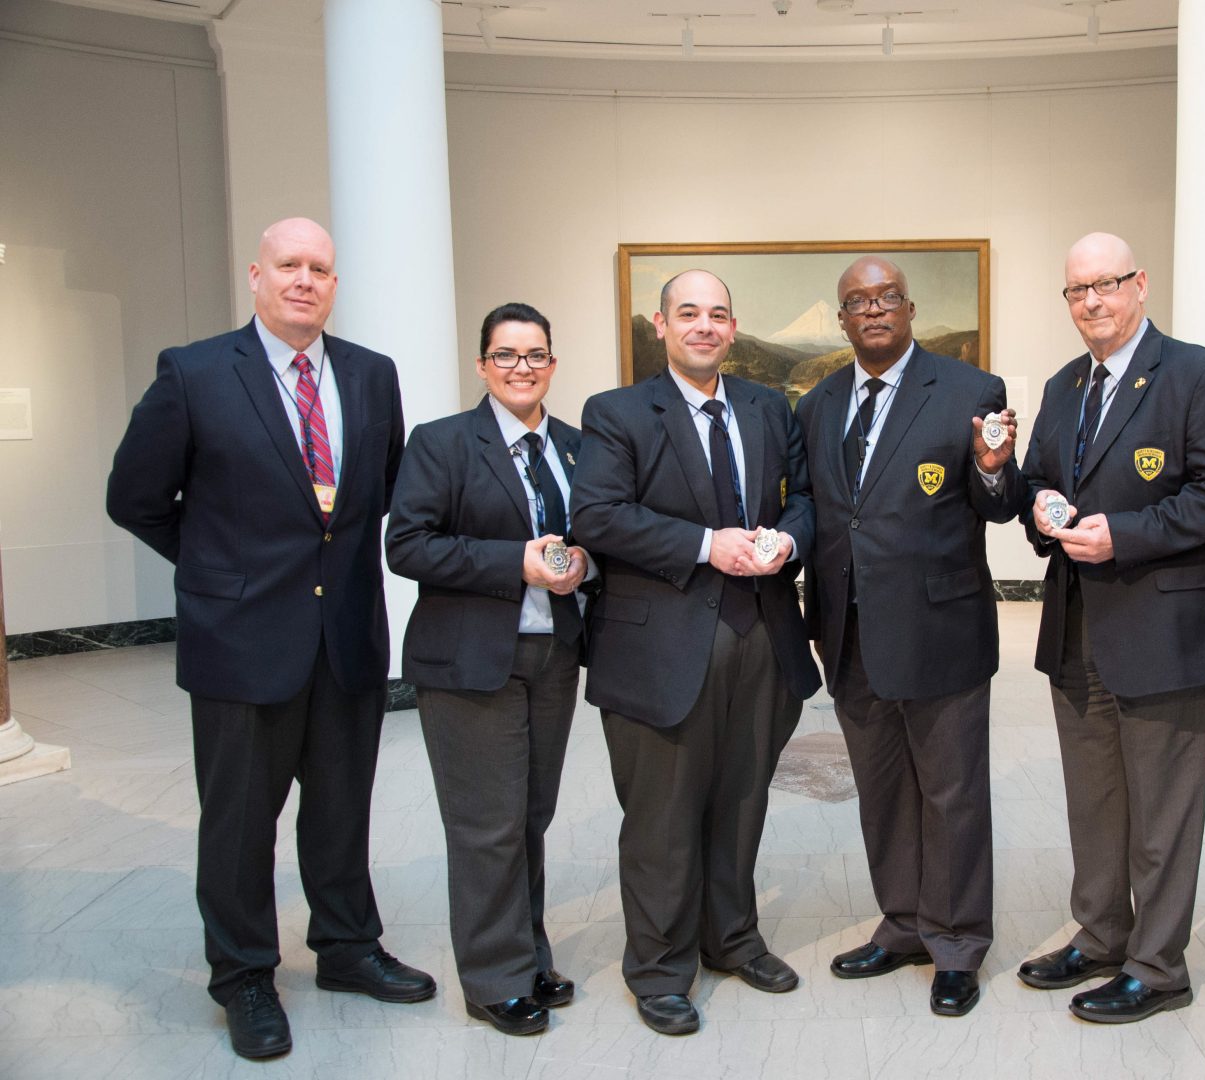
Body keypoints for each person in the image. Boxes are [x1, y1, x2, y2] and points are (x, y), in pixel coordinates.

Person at [105, 217, 434, 1061]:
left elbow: (377, 495)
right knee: (241, 821)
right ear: (256, 275)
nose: (305, 280)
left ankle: (348, 948)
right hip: (241, 643)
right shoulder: (196, 373)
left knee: (338, 813)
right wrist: (221, 569)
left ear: (333, 284)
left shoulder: (370, 375)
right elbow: (135, 497)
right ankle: (245, 974)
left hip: (346, 639)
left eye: (320, 268)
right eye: (289, 265)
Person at [569, 269, 819, 1036]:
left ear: (733, 327)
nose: (704, 326)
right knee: (662, 818)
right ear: (661, 325)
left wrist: (787, 538)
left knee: (742, 804)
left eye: (717, 314)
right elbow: (598, 517)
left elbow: (804, 497)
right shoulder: (616, 414)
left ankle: (731, 939)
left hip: (762, 638)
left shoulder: (768, 407)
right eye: (688, 313)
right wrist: (707, 544)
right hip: (662, 646)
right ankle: (659, 968)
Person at [1016, 232, 1205, 1024]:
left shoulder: (1199, 375)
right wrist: (1044, 508)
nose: (1092, 301)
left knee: (1162, 813)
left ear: (1141, 285)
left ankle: (1157, 968)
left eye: (1106, 284)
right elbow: (1039, 482)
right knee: (1095, 803)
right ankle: (1101, 935)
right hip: (1077, 628)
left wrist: (1125, 532)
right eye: (1077, 289)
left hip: (1165, 632)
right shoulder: (1061, 386)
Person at [795, 255, 1023, 1018]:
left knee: (952, 794)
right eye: (857, 301)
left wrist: (995, 470)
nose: (873, 310)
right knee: (884, 794)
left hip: (940, 631)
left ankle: (956, 943)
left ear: (910, 307)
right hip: (850, 631)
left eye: (886, 296)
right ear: (842, 319)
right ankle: (903, 925)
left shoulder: (968, 391)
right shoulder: (820, 403)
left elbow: (997, 505)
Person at [385, 302, 593, 1037]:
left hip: (552, 654)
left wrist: (584, 562)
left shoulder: (576, 447)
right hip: (469, 661)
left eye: (535, 355)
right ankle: (492, 978)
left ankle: (528, 953)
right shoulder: (442, 444)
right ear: (482, 366)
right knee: (486, 826)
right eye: (506, 355)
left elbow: (590, 533)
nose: (521, 368)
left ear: (553, 365)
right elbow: (407, 546)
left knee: (530, 816)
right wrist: (516, 561)